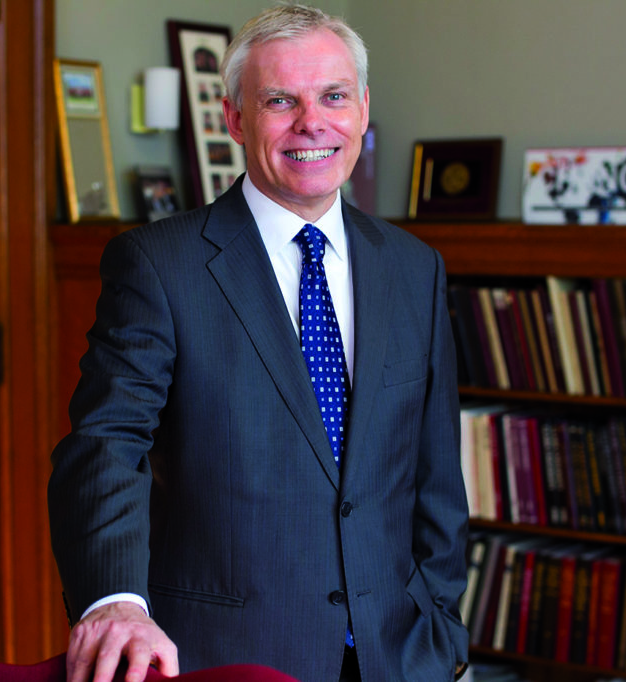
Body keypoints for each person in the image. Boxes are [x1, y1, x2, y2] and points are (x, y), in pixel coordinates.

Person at [48, 4, 469, 681]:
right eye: (281, 100)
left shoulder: (414, 268)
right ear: (237, 119)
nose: (312, 122)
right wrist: (117, 602)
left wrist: (440, 627)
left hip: (397, 654)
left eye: (333, 96)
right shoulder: (159, 264)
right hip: (224, 656)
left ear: (362, 107)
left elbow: (435, 475)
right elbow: (105, 442)